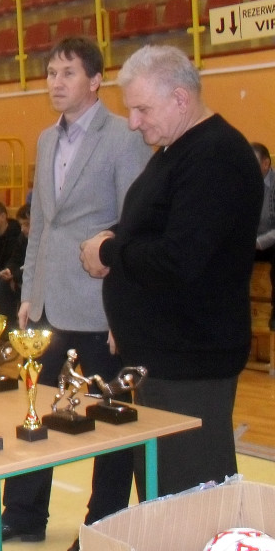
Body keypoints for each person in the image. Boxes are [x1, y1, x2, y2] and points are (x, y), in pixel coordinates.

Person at [0, 37, 151, 549]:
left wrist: (124, 312)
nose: (56, 82)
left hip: (101, 306)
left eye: (68, 73)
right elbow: (41, 225)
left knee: (107, 424)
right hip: (47, 306)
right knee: (34, 413)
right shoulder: (45, 140)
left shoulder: (123, 137)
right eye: (50, 73)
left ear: (96, 80)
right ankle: (22, 515)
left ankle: (102, 527)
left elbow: (134, 226)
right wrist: (29, 291)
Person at [80, 44, 263, 500]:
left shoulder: (216, 156)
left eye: (142, 109)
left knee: (190, 501)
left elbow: (179, 259)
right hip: (162, 357)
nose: (134, 122)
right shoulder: (176, 150)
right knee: (164, 498)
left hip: (191, 361)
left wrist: (110, 251)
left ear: (180, 98)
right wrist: (114, 241)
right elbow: (153, 226)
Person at [252, 142, 275, 329]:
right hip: (249, 240)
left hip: (270, 241)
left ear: (266, 163)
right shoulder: (242, 183)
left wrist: (258, 242)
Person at [0, 202, 30, 328]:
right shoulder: (23, 238)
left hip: (38, 283)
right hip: (22, 276)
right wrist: (9, 271)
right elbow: (14, 259)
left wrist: (15, 276)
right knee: (4, 283)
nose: (23, 229)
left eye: (27, 224)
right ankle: (7, 328)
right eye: (21, 225)